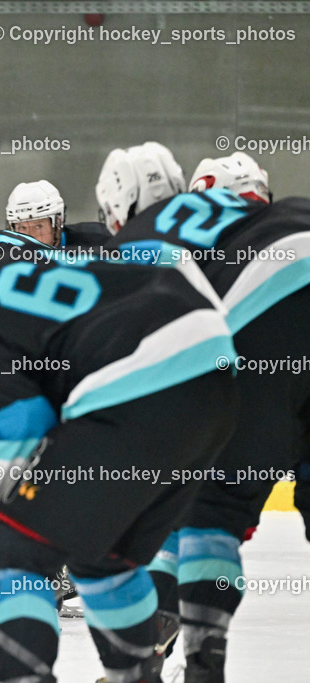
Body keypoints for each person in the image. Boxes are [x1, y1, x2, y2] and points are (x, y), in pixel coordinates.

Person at [0, 218, 239, 683]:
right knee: (102, 555)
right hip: (214, 373)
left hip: (139, 383)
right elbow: (43, 418)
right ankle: (137, 675)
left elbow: (13, 431)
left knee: (8, 554)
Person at [100, 143, 310, 681]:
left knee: (207, 507)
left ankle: (202, 665)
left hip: (261, 322)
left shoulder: (145, 242)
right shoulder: (263, 211)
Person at [5, 179, 109, 249]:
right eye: (22, 228)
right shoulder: (2, 254)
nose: (29, 238)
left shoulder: (101, 242)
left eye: (38, 226)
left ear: (58, 223)